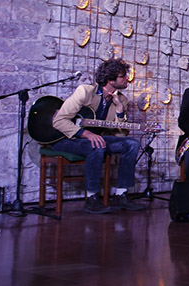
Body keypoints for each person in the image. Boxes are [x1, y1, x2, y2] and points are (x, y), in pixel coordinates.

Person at [50, 57, 145, 213]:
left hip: (97, 138)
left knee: (131, 144)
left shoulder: (122, 100)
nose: (127, 79)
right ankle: (92, 198)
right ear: (109, 79)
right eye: (122, 76)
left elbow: (120, 135)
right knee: (97, 146)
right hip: (67, 138)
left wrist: (120, 110)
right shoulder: (85, 92)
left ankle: (121, 195)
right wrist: (86, 134)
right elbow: (59, 121)